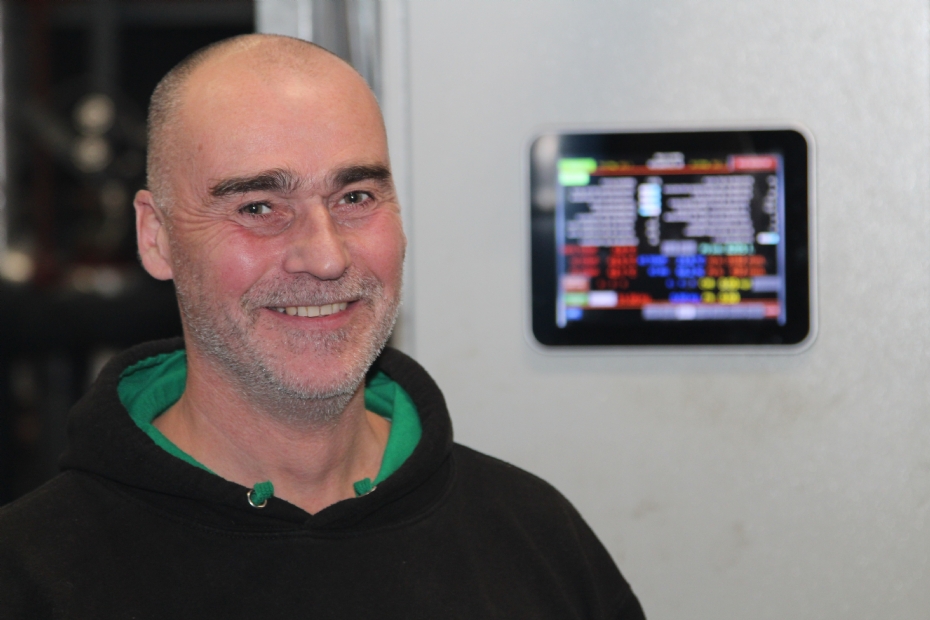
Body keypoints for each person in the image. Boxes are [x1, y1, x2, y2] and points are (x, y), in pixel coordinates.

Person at [0, 35, 645, 619]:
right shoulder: (30, 575)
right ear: (156, 237)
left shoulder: (539, 541)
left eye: (355, 198)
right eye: (259, 206)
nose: (327, 256)